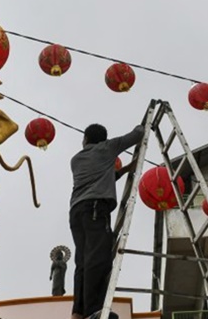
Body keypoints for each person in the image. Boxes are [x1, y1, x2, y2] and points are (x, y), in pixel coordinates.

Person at [70, 123, 144, 319]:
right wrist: (143, 123)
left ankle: (78, 311)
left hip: (77, 212)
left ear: (85, 139)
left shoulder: (76, 159)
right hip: (95, 209)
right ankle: (94, 310)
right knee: (98, 258)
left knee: (83, 261)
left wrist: (126, 169)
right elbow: (136, 135)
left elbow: (101, 177)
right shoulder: (107, 147)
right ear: (103, 139)